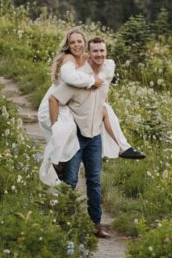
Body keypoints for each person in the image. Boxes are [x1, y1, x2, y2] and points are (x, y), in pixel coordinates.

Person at [49, 35, 144, 239]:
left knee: (94, 180)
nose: (99, 54)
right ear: (88, 54)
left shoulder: (106, 74)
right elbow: (54, 99)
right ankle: (64, 223)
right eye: (95, 51)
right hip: (75, 135)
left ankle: (95, 224)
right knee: (71, 180)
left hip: (94, 136)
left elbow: (103, 106)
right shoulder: (78, 77)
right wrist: (58, 130)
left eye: (102, 51)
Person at [37, 29, 144, 187]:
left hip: (69, 101)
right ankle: (56, 162)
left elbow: (107, 64)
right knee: (67, 131)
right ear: (68, 45)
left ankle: (123, 147)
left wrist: (100, 81)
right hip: (55, 105)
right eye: (72, 42)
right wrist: (93, 81)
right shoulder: (68, 59)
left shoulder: (86, 56)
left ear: (85, 43)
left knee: (106, 111)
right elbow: (69, 78)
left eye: (79, 41)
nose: (76, 45)